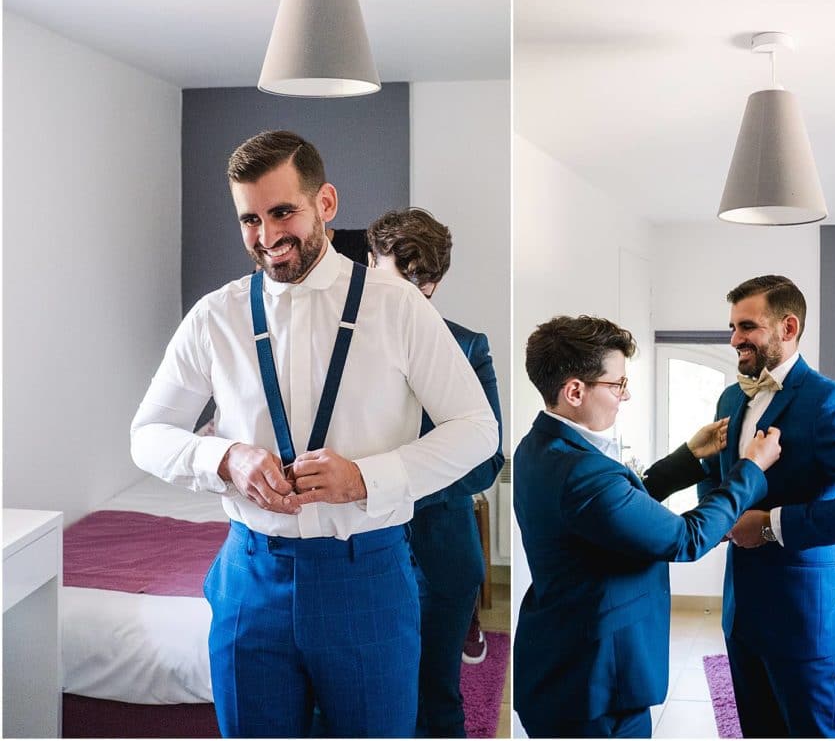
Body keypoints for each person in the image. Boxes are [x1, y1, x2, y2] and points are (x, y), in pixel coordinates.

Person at [129, 130, 498, 738]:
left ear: (325, 203)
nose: (267, 236)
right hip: (251, 577)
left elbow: (477, 428)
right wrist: (225, 457)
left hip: (367, 578)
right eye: (249, 219)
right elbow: (148, 434)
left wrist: (367, 478)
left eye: (282, 212)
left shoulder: (399, 306)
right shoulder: (215, 316)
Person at [644, 275, 835, 738]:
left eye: (747, 326)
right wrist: (719, 521)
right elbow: (716, 478)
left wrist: (769, 525)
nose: (734, 339)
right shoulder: (729, 397)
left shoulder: (830, 403)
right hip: (741, 615)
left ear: (788, 327)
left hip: (806, 622)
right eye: (732, 327)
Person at [513, 315, 781, 738]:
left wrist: (689, 456)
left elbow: (620, 511)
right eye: (617, 385)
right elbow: (684, 539)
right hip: (595, 686)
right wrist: (750, 469)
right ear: (575, 391)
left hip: (563, 661)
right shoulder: (581, 472)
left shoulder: (539, 446)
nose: (626, 395)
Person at [365, 207, 505, 738]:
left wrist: (391, 487)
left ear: (435, 283)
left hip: (441, 551)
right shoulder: (336, 344)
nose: (406, 290)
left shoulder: (468, 346)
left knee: (435, 697)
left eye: (419, 279)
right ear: (369, 262)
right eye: (393, 272)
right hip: (357, 550)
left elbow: (487, 461)